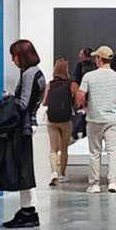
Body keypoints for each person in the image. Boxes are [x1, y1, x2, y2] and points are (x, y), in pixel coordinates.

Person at [0, 39, 48, 228]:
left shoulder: (29, 74)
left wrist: (8, 98)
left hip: (23, 126)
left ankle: (28, 211)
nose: (13, 59)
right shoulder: (36, 73)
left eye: (14, 55)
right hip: (27, 124)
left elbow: (23, 103)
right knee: (23, 168)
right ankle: (27, 210)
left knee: (22, 168)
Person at [79, 45, 116, 191]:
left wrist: (85, 103)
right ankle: (113, 183)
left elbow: (80, 95)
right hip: (112, 119)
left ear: (99, 59)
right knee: (112, 151)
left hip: (94, 118)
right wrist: (113, 103)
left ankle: (94, 184)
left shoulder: (89, 76)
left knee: (95, 152)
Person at [43, 58, 77, 186]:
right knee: (64, 149)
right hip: (66, 119)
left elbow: (44, 102)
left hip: (52, 119)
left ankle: (53, 172)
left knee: (53, 149)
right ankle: (62, 174)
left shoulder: (50, 84)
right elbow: (78, 98)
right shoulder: (71, 84)